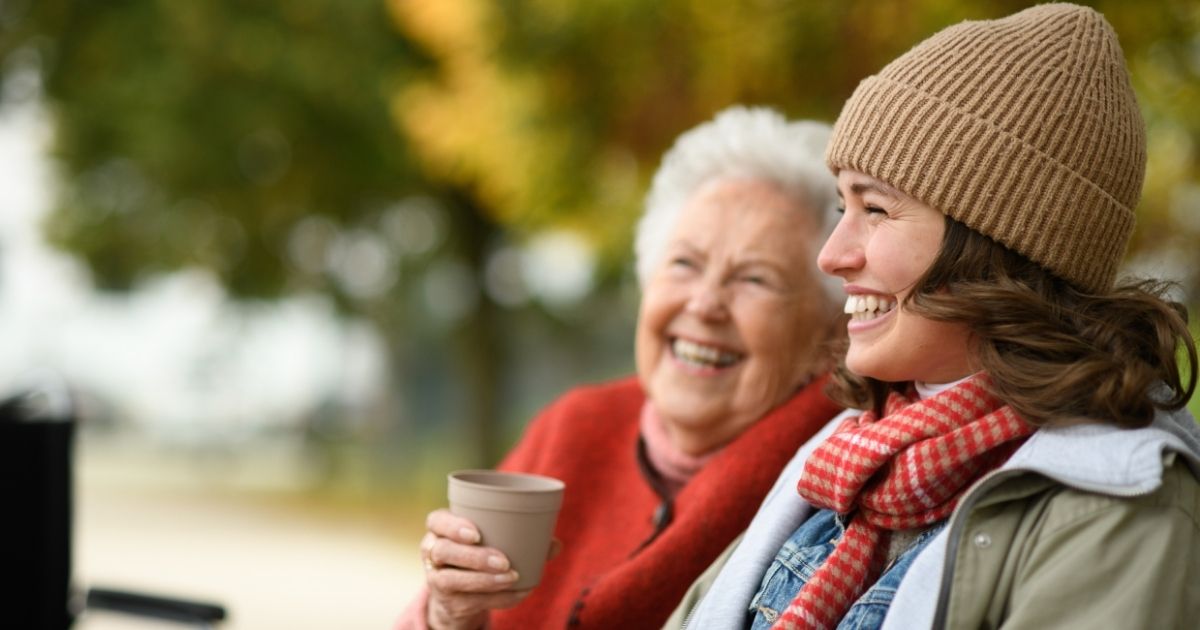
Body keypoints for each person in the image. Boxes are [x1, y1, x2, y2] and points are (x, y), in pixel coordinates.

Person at [669, 4, 1200, 629]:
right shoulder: (847, 456)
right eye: (843, 205)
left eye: (876, 209)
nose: (832, 255)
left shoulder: (1119, 507)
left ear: (998, 247)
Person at [396, 106, 847, 630]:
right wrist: (450, 612)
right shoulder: (574, 427)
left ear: (829, 336)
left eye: (755, 280)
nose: (704, 305)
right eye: (684, 264)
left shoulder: (830, 487)